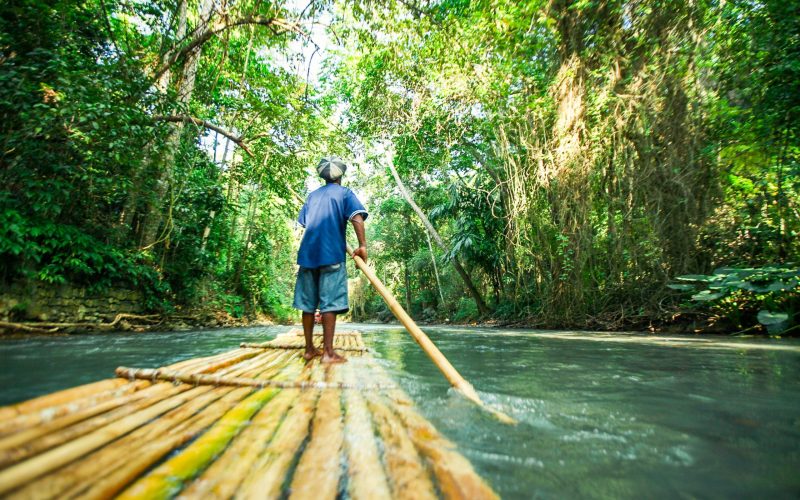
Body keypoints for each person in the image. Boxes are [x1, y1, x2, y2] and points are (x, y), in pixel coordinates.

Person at [293, 157, 368, 363]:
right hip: (331, 255)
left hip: (307, 255)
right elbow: (356, 218)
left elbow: (306, 223)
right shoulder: (345, 194)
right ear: (341, 176)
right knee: (329, 304)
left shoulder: (312, 196)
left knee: (308, 304)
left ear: (323, 176)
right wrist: (362, 246)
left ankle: (309, 350)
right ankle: (328, 353)